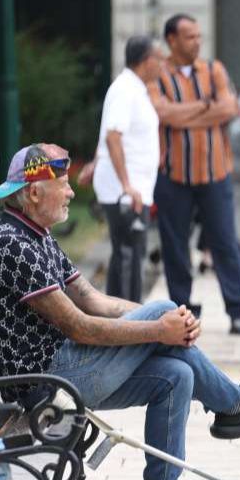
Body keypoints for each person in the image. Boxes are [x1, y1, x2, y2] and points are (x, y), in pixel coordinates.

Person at [0, 143, 240, 480]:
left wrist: (170, 323)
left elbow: (92, 299)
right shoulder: (11, 245)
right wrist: (158, 326)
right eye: (64, 184)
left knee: (177, 376)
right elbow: (79, 326)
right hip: (46, 386)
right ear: (35, 192)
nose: (72, 192)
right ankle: (235, 406)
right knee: (162, 312)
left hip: (64, 371)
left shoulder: (34, 235)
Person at [149, 13, 240, 335]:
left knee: (225, 243)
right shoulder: (159, 74)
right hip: (174, 176)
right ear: (172, 40)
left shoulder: (214, 69)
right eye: (189, 37)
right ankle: (181, 314)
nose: (197, 42)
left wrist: (184, 114)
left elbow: (229, 108)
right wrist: (204, 108)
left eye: (198, 36)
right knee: (175, 247)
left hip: (215, 174)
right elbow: (162, 113)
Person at [92, 36, 165, 303]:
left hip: (133, 187)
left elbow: (111, 135)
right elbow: (113, 136)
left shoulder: (134, 89)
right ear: (147, 61)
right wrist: (125, 184)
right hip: (126, 191)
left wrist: (95, 162)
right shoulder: (125, 90)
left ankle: (123, 319)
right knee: (129, 253)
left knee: (129, 253)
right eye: (160, 58)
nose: (163, 65)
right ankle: (128, 321)